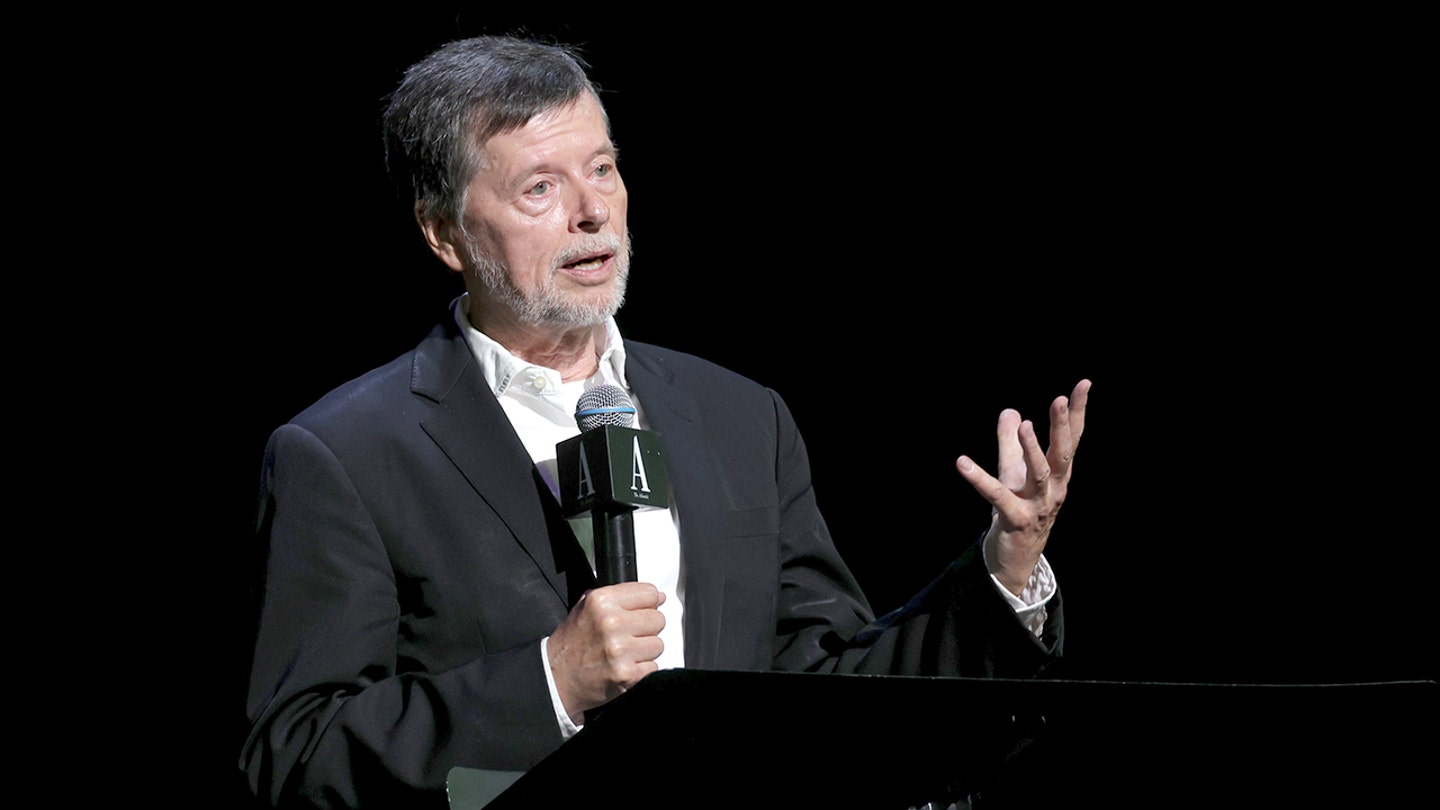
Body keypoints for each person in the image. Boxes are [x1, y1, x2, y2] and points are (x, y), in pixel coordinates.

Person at [240, 34, 1091, 809]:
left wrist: (1002, 569)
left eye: (602, 169)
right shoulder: (347, 453)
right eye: (541, 187)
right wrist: (550, 681)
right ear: (444, 234)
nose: (591, 211)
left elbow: (827, 690)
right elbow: (296, 752)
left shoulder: (739, 417)